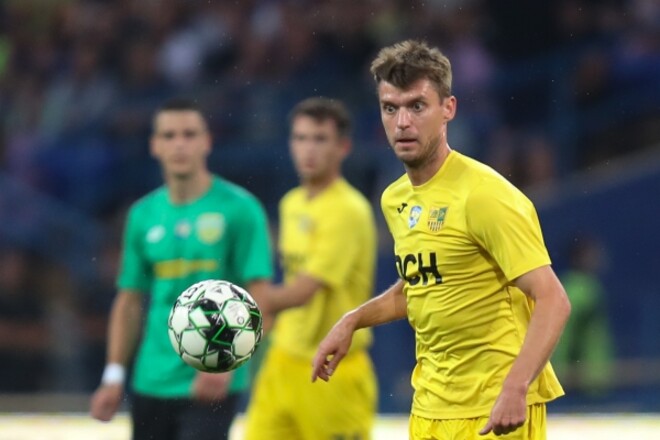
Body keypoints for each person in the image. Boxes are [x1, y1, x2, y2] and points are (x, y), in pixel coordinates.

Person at [312, 40, 572, 439]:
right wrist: (352, 320)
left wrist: (515, 387)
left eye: (417, 106)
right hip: (430, 407)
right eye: (390, 108)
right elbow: (422, 286)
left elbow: (553, 299)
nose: (402, 122)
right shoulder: (395, 198)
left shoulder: (484, 196)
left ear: (448, 108)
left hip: (494, 409)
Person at [89, 98, 273, 440]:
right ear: (154, 145)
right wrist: (113, 377)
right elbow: (129, 300)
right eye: (169, 135)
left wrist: (225, 363)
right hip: (151, 378)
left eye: (189, 134)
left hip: (211, 380)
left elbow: (260, 296)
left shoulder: (241, 209)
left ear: (207, 141)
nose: (179, 144)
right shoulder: (142, 215)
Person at [244, 97, 378, 439]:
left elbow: (303, 292)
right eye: (300, 138)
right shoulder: (291, 203)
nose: (308, 149)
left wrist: (236, 305)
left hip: (334, 371)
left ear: (343, 147)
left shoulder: (349, 210)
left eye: (320, 139)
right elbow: (289, 286)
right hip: (282, 361)